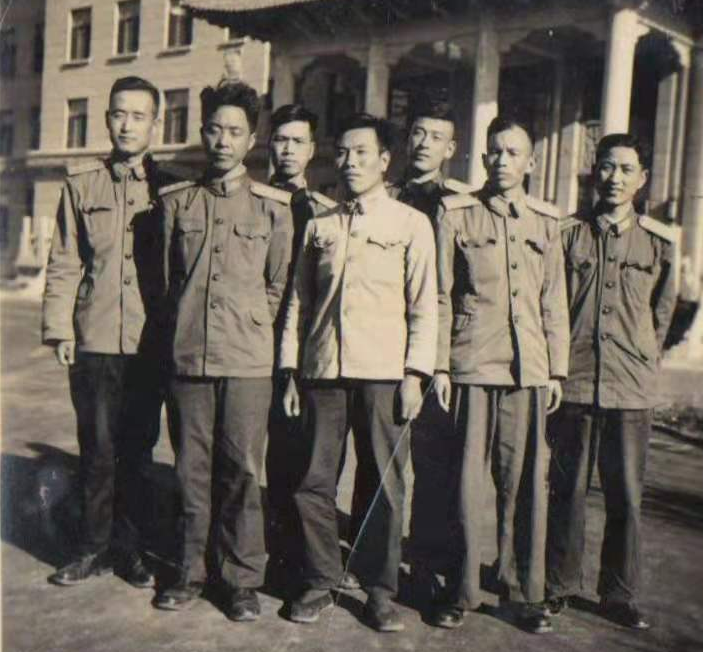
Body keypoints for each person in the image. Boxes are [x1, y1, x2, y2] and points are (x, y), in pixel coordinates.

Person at [280, 112, 437, 632]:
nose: (350, 162)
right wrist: (290, 370)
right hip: (323, 370)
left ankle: (378, 590)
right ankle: (320, 579)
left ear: (385, 160)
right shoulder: (320, 225)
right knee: (313, 481)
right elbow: (299, 304)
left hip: (384, 373)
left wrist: (415, 375)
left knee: (384, 485)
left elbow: (424, 306)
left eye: (362, 152)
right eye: (343, 152)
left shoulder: (410, 224)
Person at [153, 81, 293, 622]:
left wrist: (249, 327)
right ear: (202, 132)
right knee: (190, 469)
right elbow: (167, 282)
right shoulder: (177, 203)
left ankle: (240, 580)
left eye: (235, 131)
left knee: (241, 471)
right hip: (188, 354)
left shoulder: (273, 208)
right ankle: (189, 572)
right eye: (214, 129)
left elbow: (277, 285)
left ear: (252, 140)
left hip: (247, 360)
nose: (223, 140)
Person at [42, 76, 184, 590]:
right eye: (119, 114)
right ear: (106, 119)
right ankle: (91, 548)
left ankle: (132, 549)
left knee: (138, 452)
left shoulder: (171, 189)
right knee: (97, 449)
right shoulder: (82, 185)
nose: (127, 125)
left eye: (138, 116)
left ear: (156, 124)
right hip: (96, 338)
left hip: (149, 342)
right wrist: (60, 328)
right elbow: (64, 261)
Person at [432, 115, 569, 633]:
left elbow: (553, 301)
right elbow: (442, 296)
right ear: (482, 157)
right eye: (494, 151)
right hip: (471, 364)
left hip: (527, 370)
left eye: (513, 152)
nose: (501, 160)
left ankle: (522, 592)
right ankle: (460, 589)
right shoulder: (457, 214)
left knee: (524, 485)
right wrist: (440, 364)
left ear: (531, 162)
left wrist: (555, 370)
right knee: (465, 485)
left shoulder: (546, 222)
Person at [545, 133, 677, 630]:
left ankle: (618, 593)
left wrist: (641, 357)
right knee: (567, 491)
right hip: (575, 382)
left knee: (625, 496)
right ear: (593, 173)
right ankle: (558, 584)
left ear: (642, 179)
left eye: (625, 169)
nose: (614, 178)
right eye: (606, 167)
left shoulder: (660, 243)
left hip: (630, 389)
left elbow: (664, 315)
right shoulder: (568, 235)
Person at [384, 93, 473, 594]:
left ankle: (423, 565)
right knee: (382, 459)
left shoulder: (457, 204)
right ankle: (377, 559)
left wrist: (440, 360)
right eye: (418, 133)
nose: (424, 143)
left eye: (436, 137)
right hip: (382, 344)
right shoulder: (386, 196)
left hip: (435, 349)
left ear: (451, 149)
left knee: (433, 463)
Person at [264, 102, 339, 593]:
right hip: (251, 342)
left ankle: (292, 558)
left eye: (298, 142)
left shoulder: (323, 212)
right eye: (280, 140)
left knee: (296, 456)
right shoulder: (253, 199)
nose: (288, 150)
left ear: (312, 150)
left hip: (302, 350)